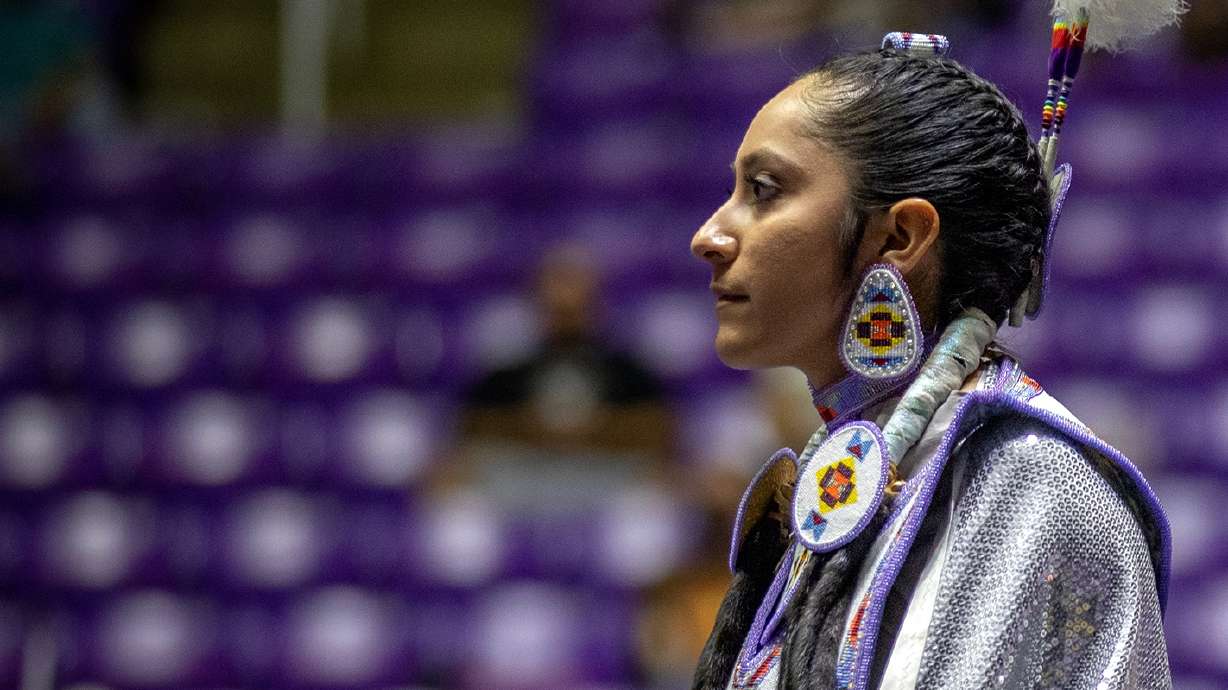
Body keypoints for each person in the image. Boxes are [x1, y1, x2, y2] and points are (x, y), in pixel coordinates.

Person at [687, 24, 1175, 690]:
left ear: (900, 235)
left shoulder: (1036, 491)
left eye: (765, 191)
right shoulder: (849, 476)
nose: (709, 235)